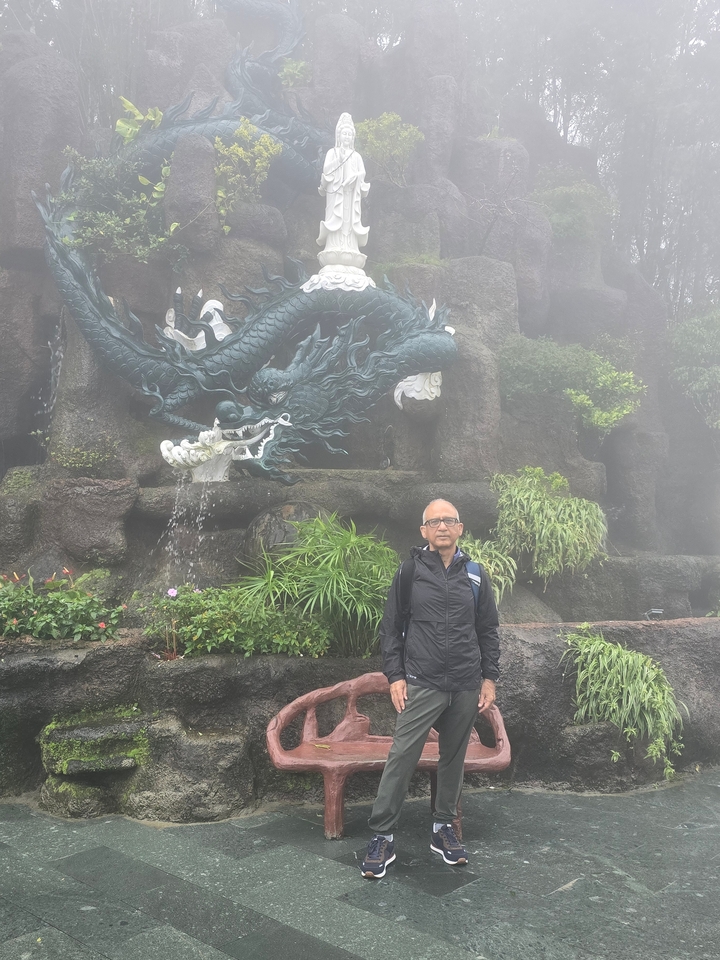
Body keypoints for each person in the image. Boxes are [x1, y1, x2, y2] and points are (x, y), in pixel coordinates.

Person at [361, 498, 500, 879]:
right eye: (434, 521)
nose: (442, 527)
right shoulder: (409, 573)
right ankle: (382, 835)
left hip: (466, 683)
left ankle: (443, 828)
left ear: (460, 528)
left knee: (453, 757)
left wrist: (489, 679)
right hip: (421, 682)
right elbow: (390, 629)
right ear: (423, 531)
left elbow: (487, 630)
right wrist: (396, 676)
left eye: (449, 521)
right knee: (402, 755)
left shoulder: (474, 575)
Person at [317, 112, 369, 260]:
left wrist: (355, 177)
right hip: (336, 193)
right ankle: (333, 246)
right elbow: (326, 171)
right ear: (338, 136)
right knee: (336, 218)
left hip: (351, 196)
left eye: (349, 134)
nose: (346, 137)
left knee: (349, 221)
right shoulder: (332, 152)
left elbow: (362, 173)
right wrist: (338, 160)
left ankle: (350, 247)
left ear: (353, 137)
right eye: (344, 134)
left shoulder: (356, 156)